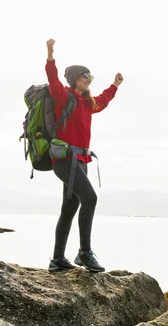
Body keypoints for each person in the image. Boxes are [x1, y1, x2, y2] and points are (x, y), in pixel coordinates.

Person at [44, 38, 123, 272]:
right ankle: (85, 253)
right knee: (90, 198)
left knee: (69, 209)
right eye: (84, 76)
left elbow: (104, 101)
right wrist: (50, 54)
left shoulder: (88, 103)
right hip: (64, 159)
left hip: (82, 160)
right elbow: (52, 78)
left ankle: (57, 259)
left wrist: (115, 86)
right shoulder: (63, 96)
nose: (88, 79)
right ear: (74, 80)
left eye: (90, 77)